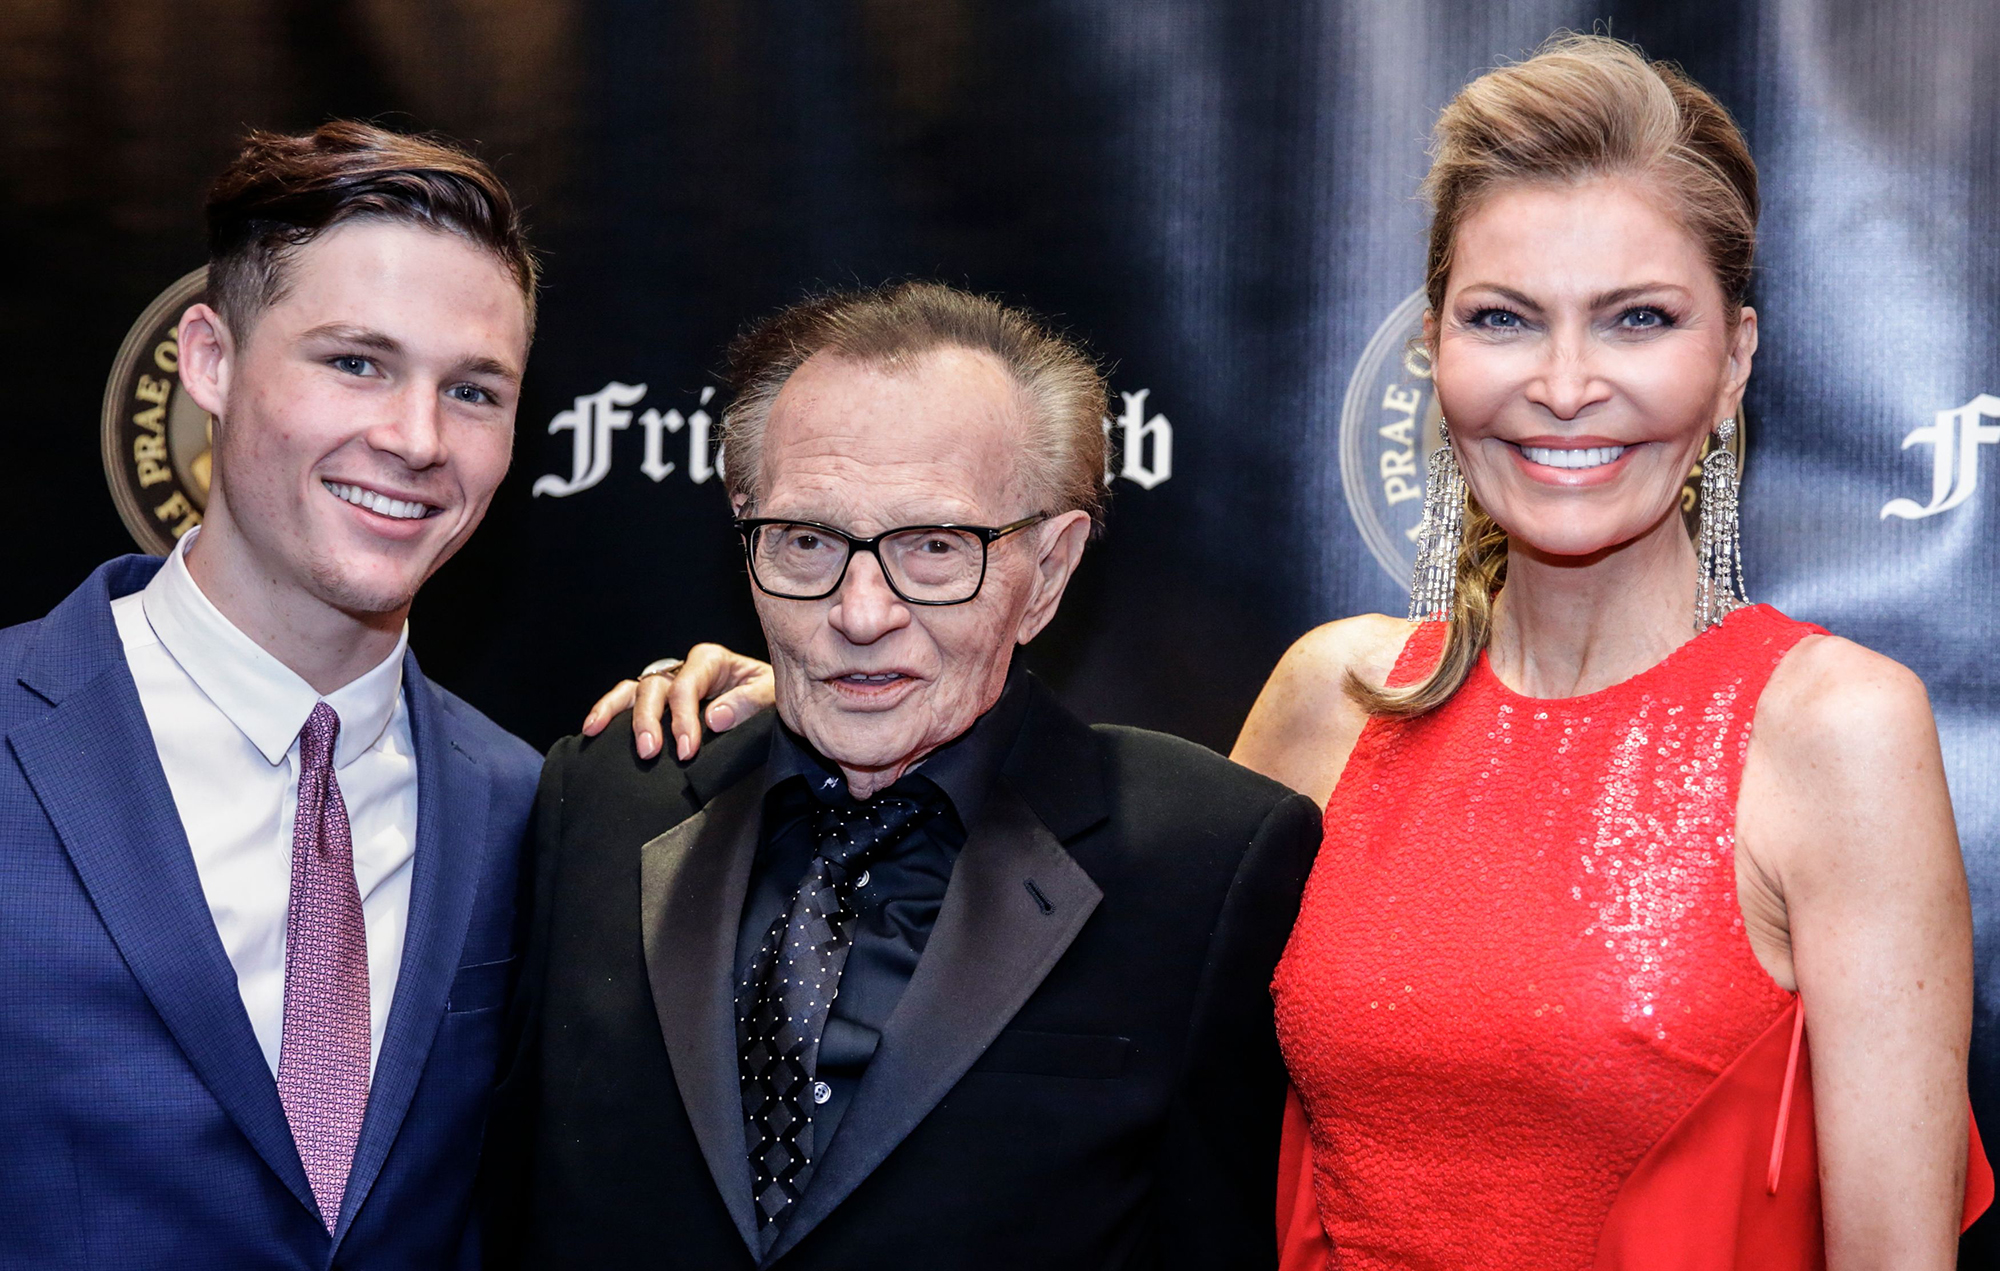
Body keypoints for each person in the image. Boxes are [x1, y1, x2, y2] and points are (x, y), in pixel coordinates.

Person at [1228, 35, 1987, 1269]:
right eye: (1503, 318)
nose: (1565, 382)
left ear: (1731, 359)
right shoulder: (1333, 696)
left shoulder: (1834, 728)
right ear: (1435, 350)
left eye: (1636, 318)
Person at [482, 282, 1322, 1270]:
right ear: (744, 531)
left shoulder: (1207, 859)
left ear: (1047, 570)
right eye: (807, 541)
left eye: (934, 547)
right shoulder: (605, 795)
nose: (861, 610)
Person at [0, 122, 543, 1267]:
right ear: (209, 359)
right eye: (356, 361)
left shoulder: (529, 806)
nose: (414, 438)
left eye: (475, 389)